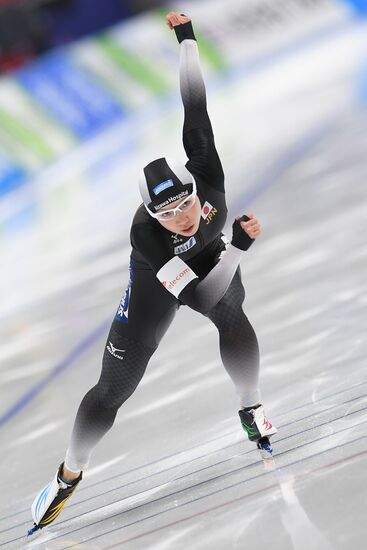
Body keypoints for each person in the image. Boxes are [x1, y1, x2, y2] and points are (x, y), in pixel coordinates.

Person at [28, 11, 277, 535]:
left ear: (193, 186)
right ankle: (70, 472)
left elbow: (195, 102)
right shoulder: (147, 235)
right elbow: (199, 294)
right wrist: (238, 247)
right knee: (113, 390)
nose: (181, 216)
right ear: (152, 216)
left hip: (211, 258)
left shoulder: (205, 168)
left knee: (233, 314)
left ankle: (250, 406)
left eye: (184, 204)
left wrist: (186, 40)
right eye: (167, 214)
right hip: (157, 289)